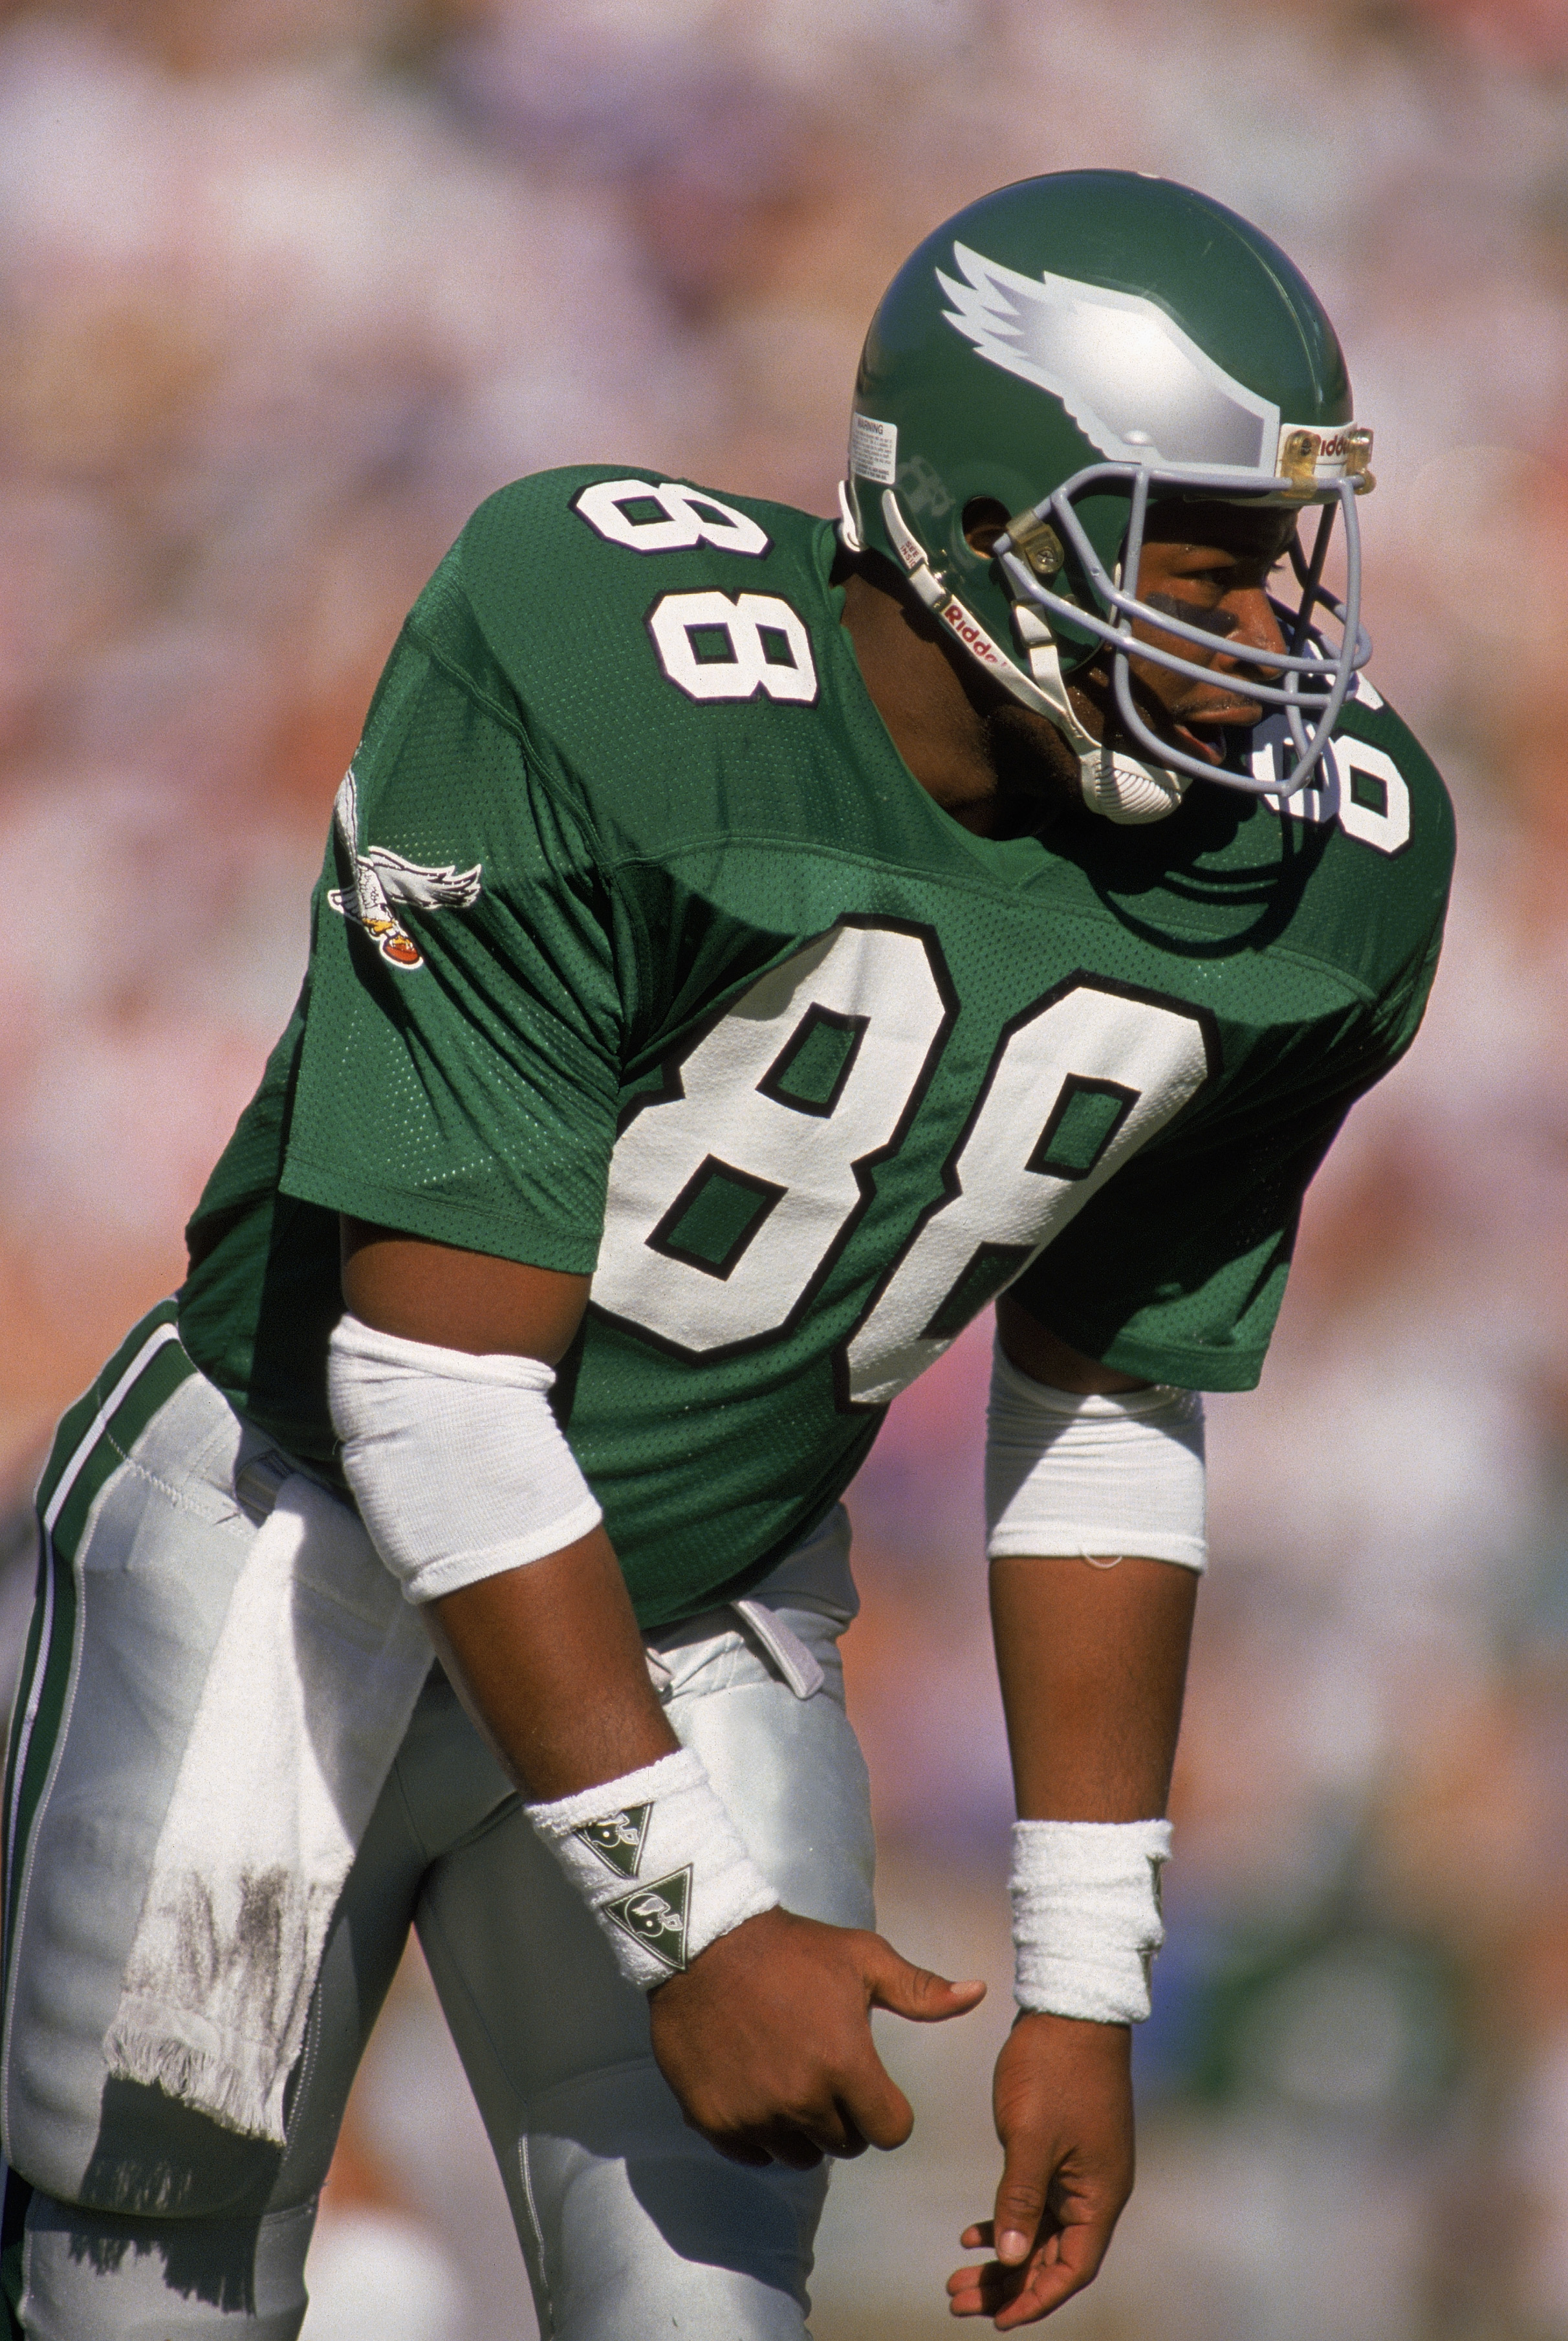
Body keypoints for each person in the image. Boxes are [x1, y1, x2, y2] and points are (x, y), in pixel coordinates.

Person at [0, 170, 1451, 2337]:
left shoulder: (1311, 886)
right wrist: (692, 1919)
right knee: (148, 2275)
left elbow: (1108, 1394)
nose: (1269, 637)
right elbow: (429, 1378)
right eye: (1198, 555)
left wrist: (1083, 1972)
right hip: (290, 1534)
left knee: (711, 2306)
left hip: (695, 1595)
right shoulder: (607, 659)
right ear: (969, 530)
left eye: (1286, 562)